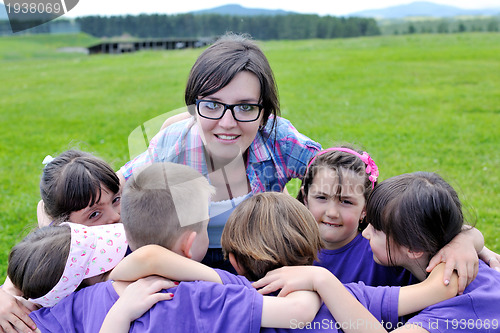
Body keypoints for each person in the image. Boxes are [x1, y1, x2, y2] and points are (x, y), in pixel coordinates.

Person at [11, 163, 321, 333]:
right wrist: (315, 278)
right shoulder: (209, 294)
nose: (114, 216)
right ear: (189, 244)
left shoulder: (82, 299)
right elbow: (300, 313)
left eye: (117, 202)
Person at [111, 192, 459, 333]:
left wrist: (217, 277)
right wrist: (463, 241)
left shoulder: (222, 297)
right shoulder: (352, 299)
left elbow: (143, 259)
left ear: (233, 260)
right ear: (314, 251)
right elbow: (438, 290)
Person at [117, 33, 321, 270]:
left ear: (264, 113)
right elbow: (117, 190)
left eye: (245, 107)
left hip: (263, 260)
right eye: (213, 105)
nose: (227, 123)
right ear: (195, 107)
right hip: (183, 263)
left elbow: (341, 175)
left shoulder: (278, 139)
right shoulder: (173, 146)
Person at [255, 172, 500, 332]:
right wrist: (469, 239)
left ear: (413, 247)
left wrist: (322, 280)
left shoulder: (464, 304)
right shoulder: (430, 253)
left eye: (376, 229)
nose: (365, 233)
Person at [298, 146, 496, 293]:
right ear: (305, 197)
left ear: (366, 208)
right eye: (321, 198)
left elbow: (434, 227)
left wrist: (466, 240)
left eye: (346, 201)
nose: (332, 212)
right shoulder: (289, 241)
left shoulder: (383, 247)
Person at [0, 149, 122, 333]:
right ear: (63, 225)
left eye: (116, 200)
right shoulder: (56, 268)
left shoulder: (130, 233)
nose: (115, 216)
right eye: (94, 214)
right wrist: (8, 291)